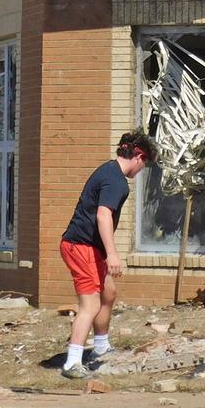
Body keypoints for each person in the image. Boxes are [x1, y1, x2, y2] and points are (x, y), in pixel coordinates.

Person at [59, 130, 158, 379]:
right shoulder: (116, 181)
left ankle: (101, 348)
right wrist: (112, 254)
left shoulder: (109, 171)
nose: (141, 170)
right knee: (90, 305)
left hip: (89, 247)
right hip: (81, 246)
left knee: (108, 293)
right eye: (144, 164)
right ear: (139, 157)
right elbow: (103, 215)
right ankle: (72, 362)